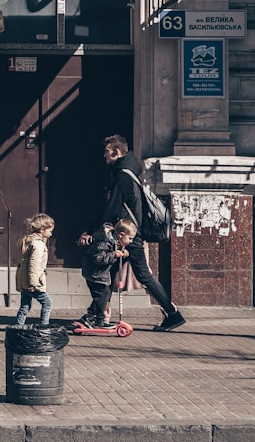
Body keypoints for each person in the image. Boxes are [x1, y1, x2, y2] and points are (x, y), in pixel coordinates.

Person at [78, 134, 185, 332]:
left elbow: (111, 208)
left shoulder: (123, 176)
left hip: (126, 235)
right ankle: (95, 314)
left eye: (107, 152)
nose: (104, 156)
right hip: (128, 233)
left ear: (117, 152)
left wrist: (92, 231)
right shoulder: (130, 172)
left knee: (141, 274)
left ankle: (172, 313)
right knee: (109, 271)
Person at [77, 219, 136, 329]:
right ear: (121, 234)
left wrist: (122, 251)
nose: (131, 241)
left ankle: (94, 319)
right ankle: (94, 319)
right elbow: (99, 258)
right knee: (103, 295)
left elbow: (116, 247)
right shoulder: (103, 241)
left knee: (103, 295)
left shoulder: (114, 239)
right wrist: (114, 255)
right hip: (94, 273)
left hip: (100, 274)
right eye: (130, 238)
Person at [14, 213, 54, 327]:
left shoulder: (27, 240)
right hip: (32, 281)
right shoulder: (38, 245)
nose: (51, 234)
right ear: (42, 230)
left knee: (25, 305)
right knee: (47, 303)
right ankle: (43, 327)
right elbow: (34, 265)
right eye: (50, 231)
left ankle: (18, 327)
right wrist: (33, 283)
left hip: (23, 280)